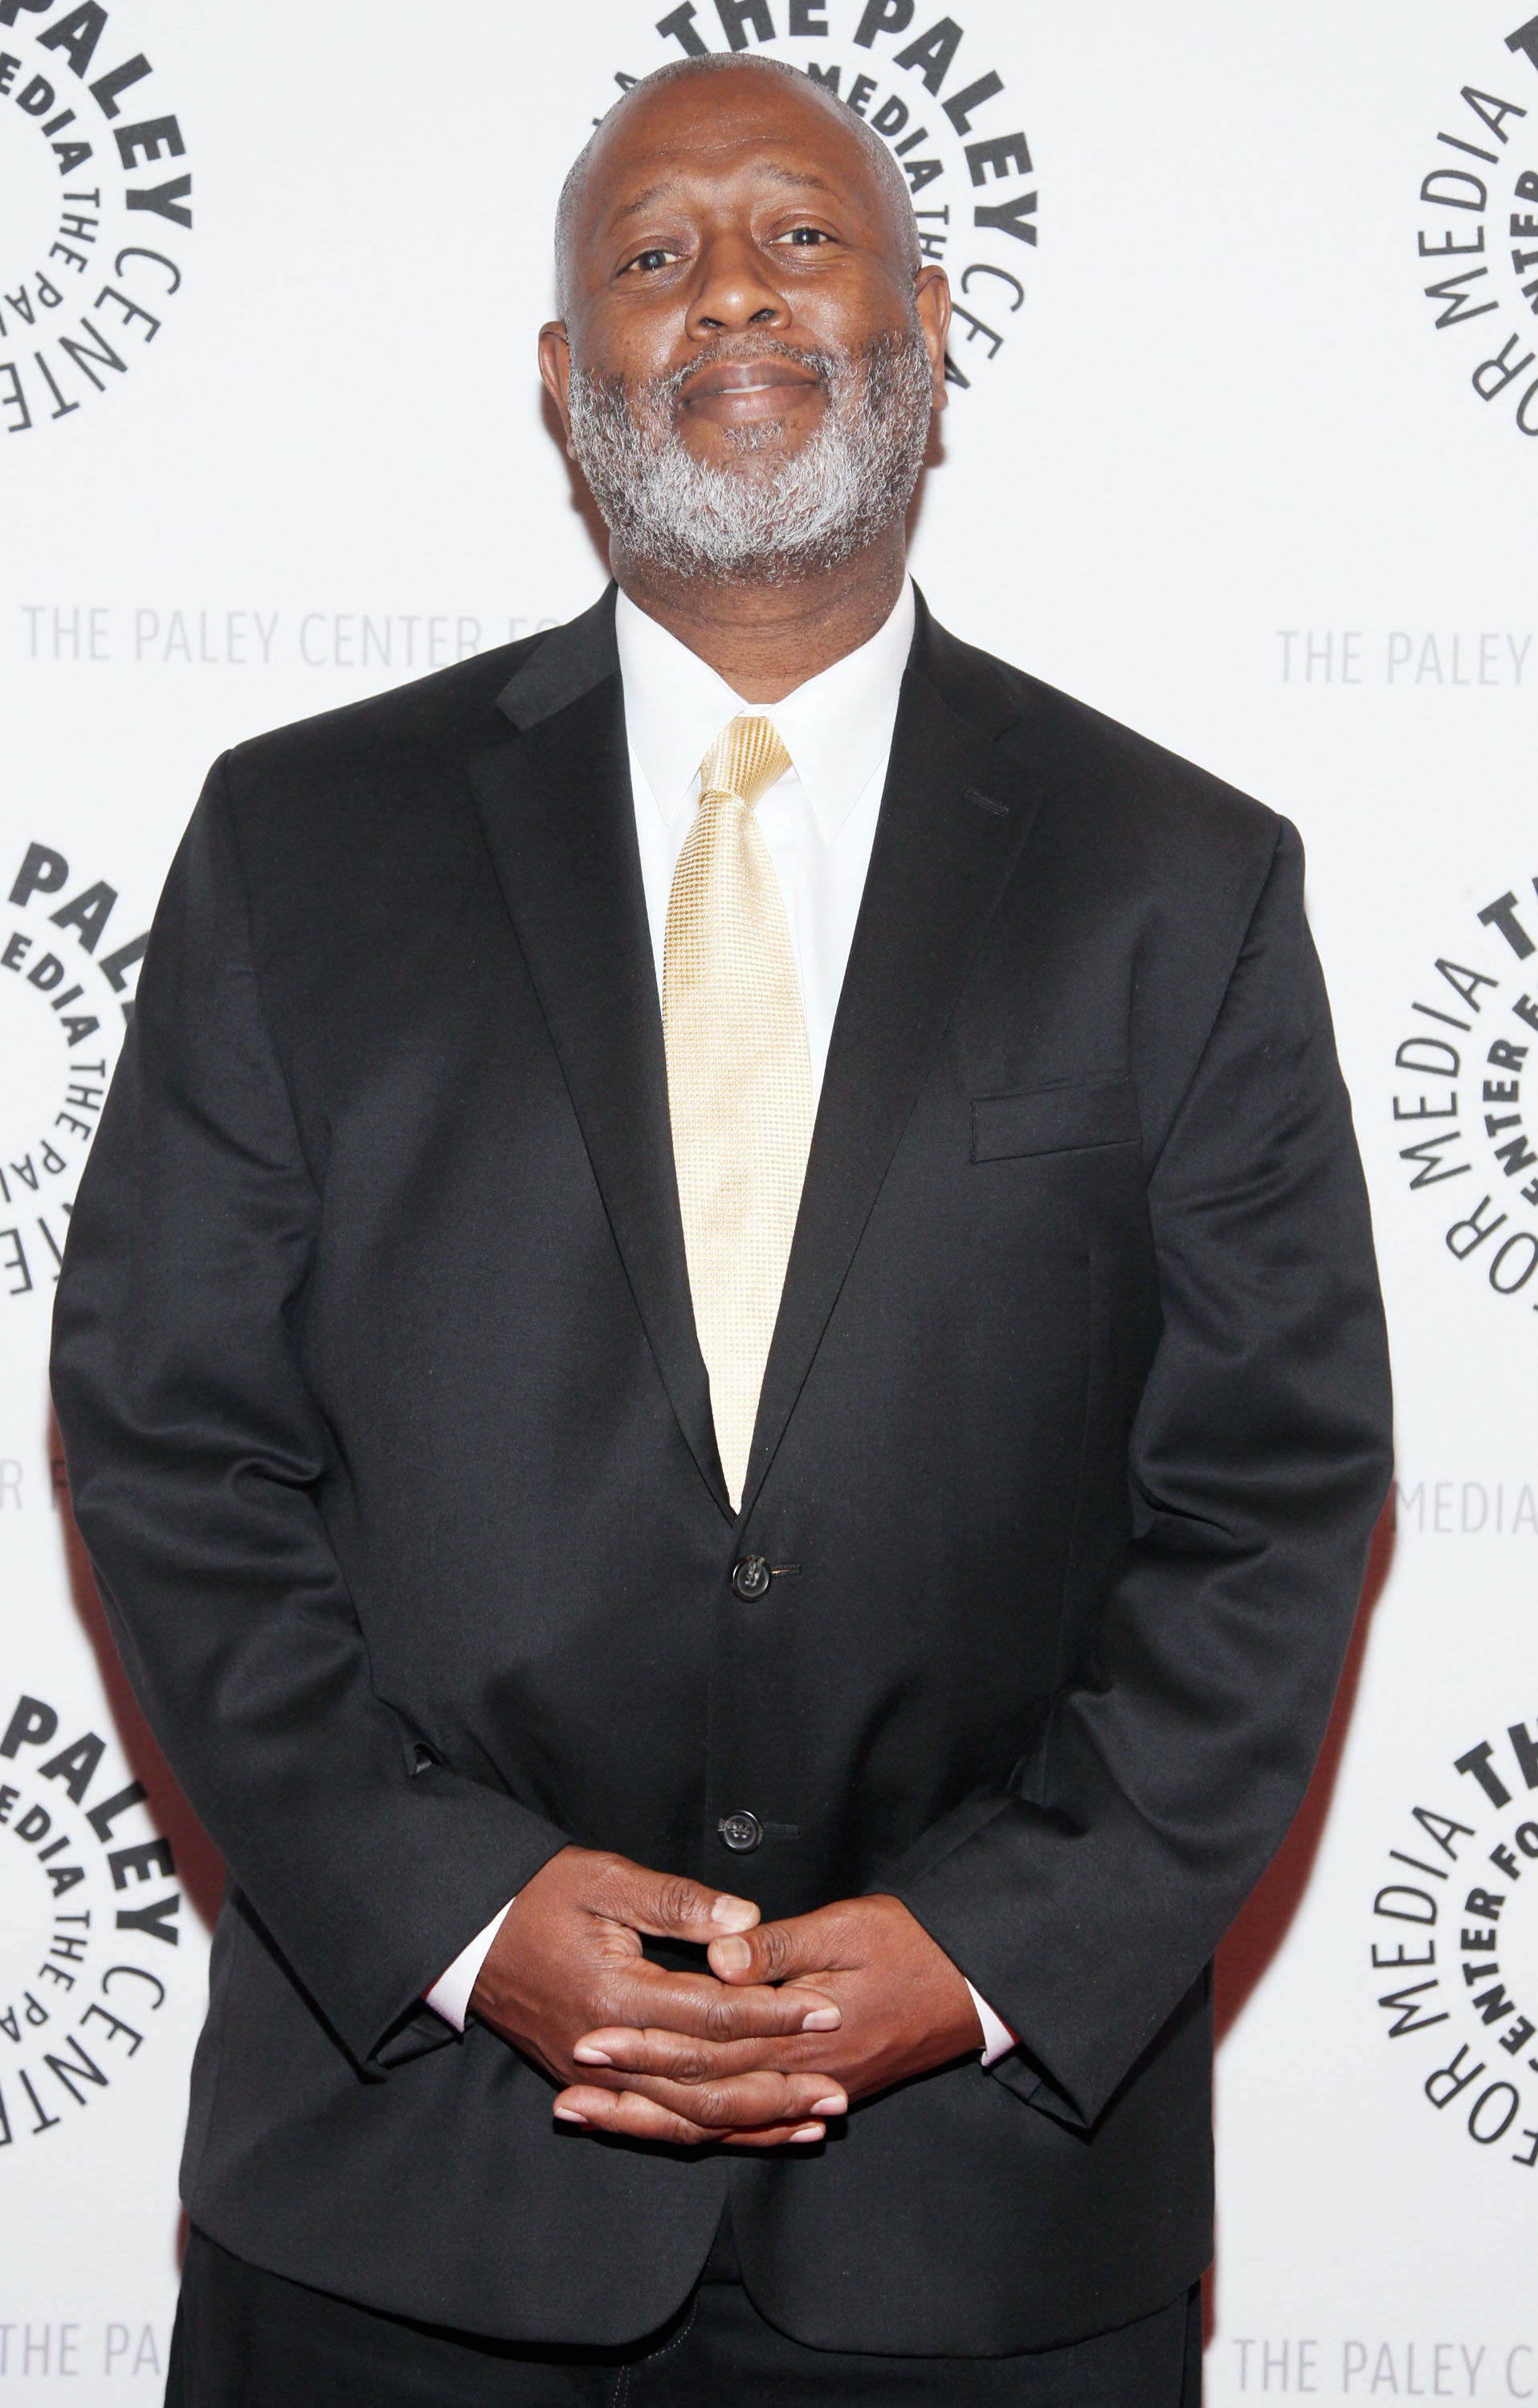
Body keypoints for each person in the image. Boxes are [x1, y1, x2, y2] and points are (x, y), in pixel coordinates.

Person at [50, 51, 1393, 2408]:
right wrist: (463, 1917)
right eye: (650, 261)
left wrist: (984, 1951)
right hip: (401, 2204)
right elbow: (173, 1448)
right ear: (565, 388)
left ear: (928, 331)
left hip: (984, 2228)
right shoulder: (298, 844)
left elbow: (1270, 1504)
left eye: (801, 233)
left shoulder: (1178, 884)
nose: (731, 294)